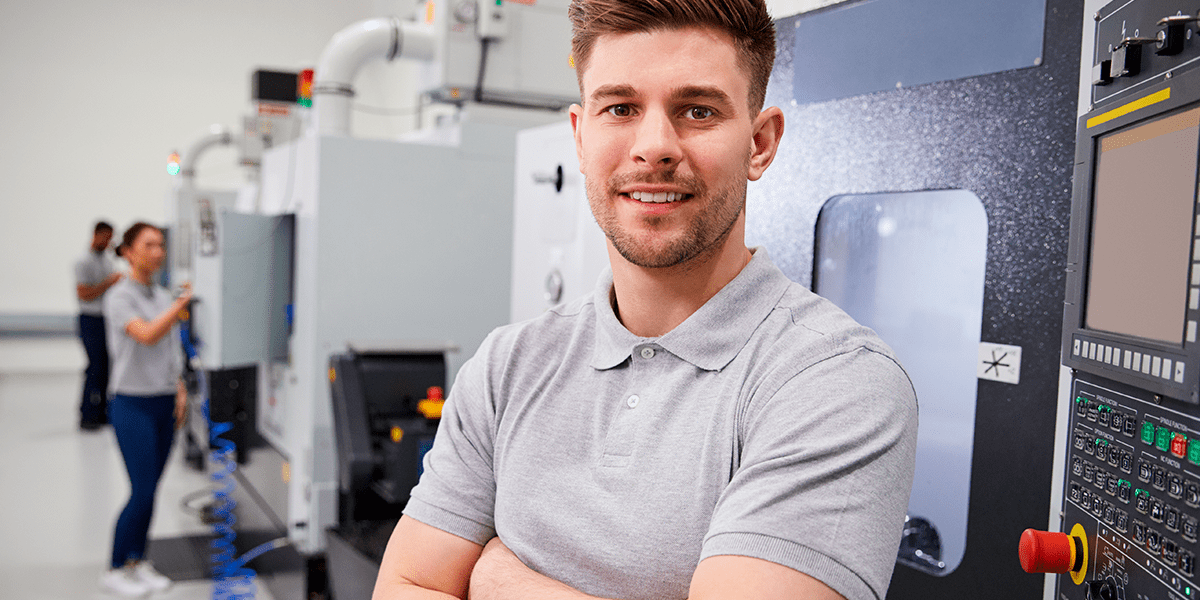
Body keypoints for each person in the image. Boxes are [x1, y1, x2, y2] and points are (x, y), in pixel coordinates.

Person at [373, 1, 919, 599]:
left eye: (697, 110)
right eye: (621, 108)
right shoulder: (509, 366)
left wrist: (499, 579)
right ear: (581, 139)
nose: (654, 147)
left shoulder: (834, 382)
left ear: (760, 143)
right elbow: (404, 585)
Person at [99, 222, 192, 597]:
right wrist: (181, 305)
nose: (158, 251)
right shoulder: (120, 297)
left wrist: (180, 388)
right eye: (149, 245)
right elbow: (148, 334)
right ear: (129, 251)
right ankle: (116, 565)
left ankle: (138, 560)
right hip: (131, 404)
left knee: (152, 489)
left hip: (163, 401)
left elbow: (171, 349)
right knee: (140, 490)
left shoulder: (160, 294)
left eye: (161, 245)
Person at [75, 221, 121, 429]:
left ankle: (102, 412)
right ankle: (87, 414)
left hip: (106, 320)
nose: (108, 241)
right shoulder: (83, 262)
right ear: (95, 234)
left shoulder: (108, 261)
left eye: (110, 237)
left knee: (106, 367)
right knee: (95, 367)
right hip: (90, 320)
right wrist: (108, 284)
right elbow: (84, 294)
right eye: (105, 236)